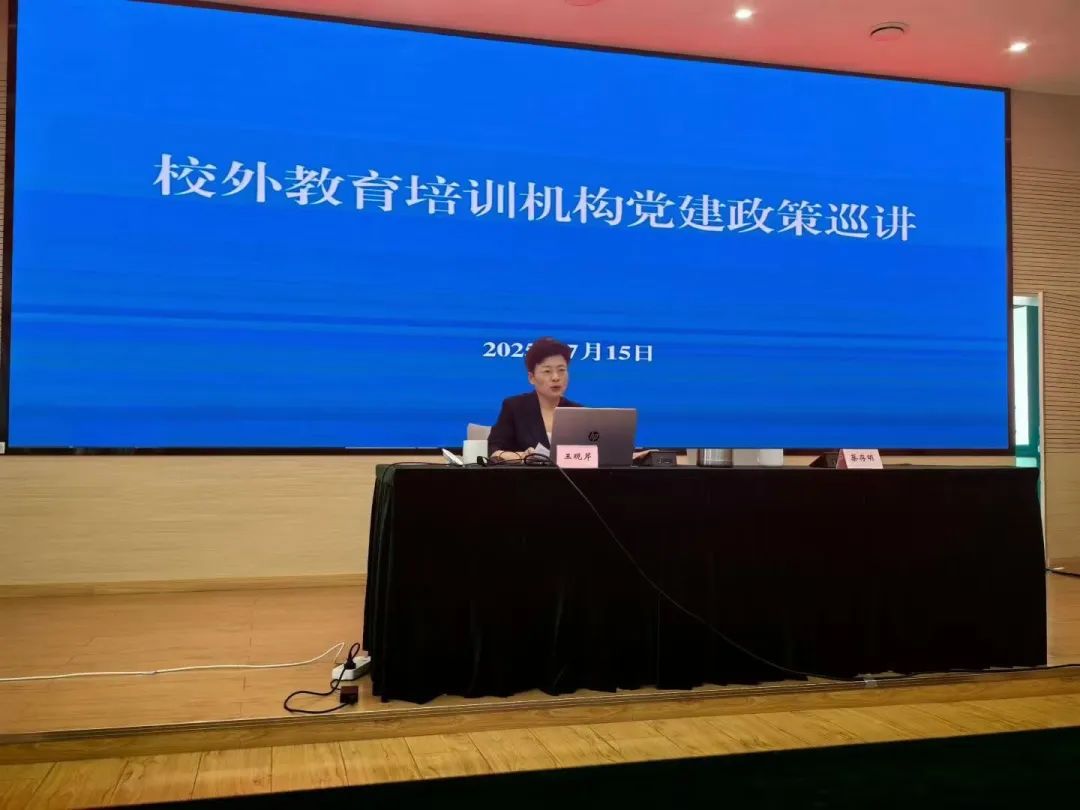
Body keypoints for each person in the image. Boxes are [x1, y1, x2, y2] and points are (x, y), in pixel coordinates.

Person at [488, 337, 581, 461]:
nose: (555, 377)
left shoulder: (579, 412)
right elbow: (492, 449)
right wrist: (522, 456)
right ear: (531, 377)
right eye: (547, 371)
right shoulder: (515, 407)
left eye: (561, 370)